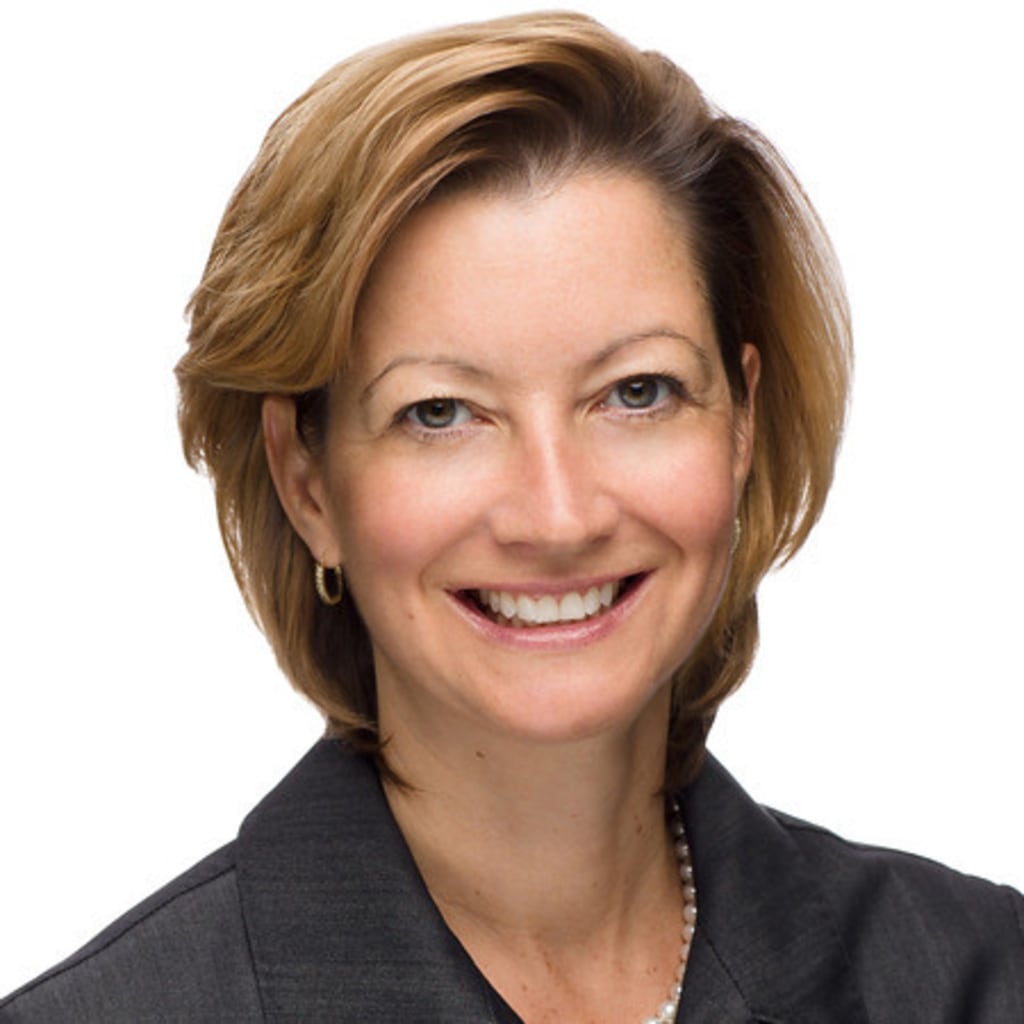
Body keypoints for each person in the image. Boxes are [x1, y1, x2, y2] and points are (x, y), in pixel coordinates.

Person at [2, 11, 1021, 1022]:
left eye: (637, 393)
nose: (558, 514)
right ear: (306, 482)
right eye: (440, 412)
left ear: (742, 423)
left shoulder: (980, 979)